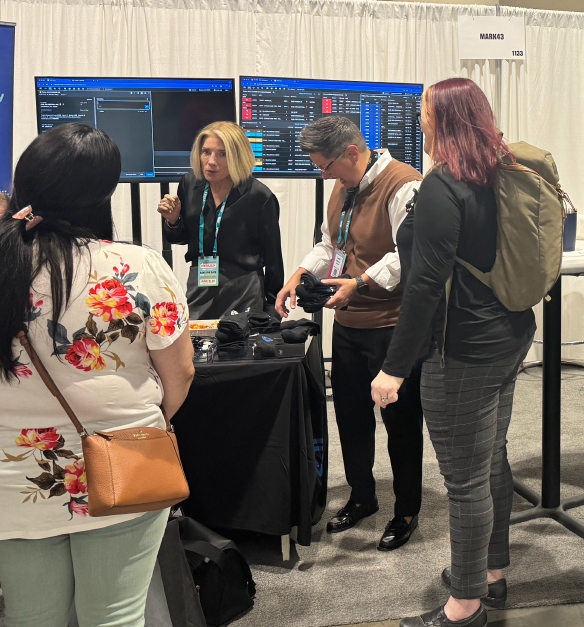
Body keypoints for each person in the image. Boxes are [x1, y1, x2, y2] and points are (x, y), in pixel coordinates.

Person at [0, 123, 195, 627]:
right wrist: (144, 420)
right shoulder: (138, 267)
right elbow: (181, 375)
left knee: (28, 617)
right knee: (113, 615)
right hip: (124, 463)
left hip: (11, 476)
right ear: (104, 192)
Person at [370, 77, 537, 627]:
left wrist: (394, 366)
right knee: (490, 459)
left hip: (463, 349)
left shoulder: (445, 185)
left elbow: (423, 284)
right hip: (509, 335)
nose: (419, 118)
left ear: (443, 116)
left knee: (464, 481)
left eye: (424, 109)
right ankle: (489, 574)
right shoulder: (500, 172)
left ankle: (465, 607)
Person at [274, 116, 424, 551]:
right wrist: (299, 273)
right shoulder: (344, 186)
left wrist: (358, 284)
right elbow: (332, 246)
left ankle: (407, 509)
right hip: (350, 326)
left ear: (352, 153)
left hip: (392, 328)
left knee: (401, 424)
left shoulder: (404, 185)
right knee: (352, 419)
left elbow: (404, 256)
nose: (324, 176)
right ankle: (362, 498)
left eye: (327, 167)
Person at [158, 122, 284, 319]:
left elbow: (274, 259)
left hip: (244, 289)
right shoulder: (189, 184)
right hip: (200, 283)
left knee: (238, 347)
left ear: (238, 156)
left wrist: (272, 308)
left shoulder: (259, 196)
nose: (211, 161)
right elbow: (182, 238)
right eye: (206, 152)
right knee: (196, 346)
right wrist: (173, 221)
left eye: (222, 154)